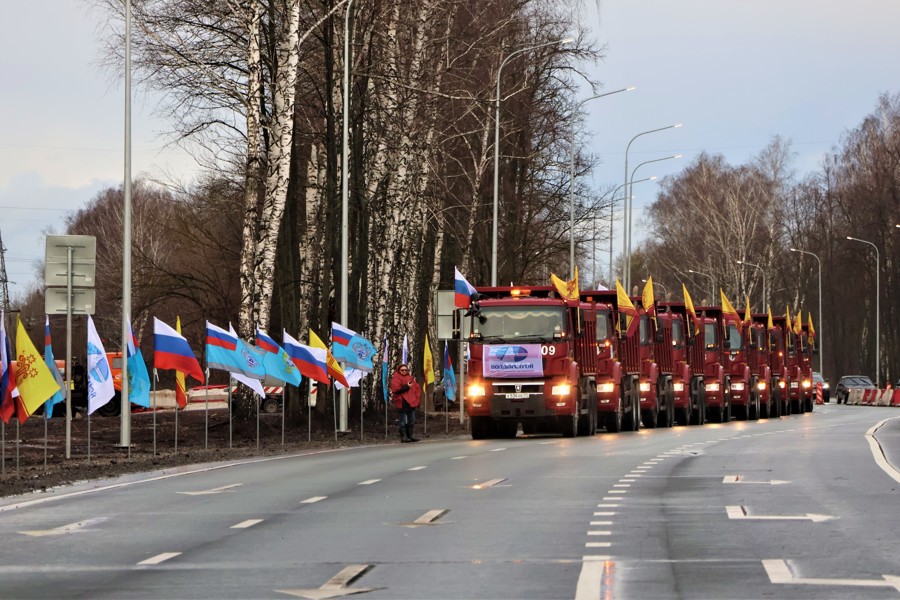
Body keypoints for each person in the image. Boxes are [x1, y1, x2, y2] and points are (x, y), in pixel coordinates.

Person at [390, 363, 421, 443]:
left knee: (412, 420)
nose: (404, 371)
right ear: (399, 370)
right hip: (402, 402)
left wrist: (416, 399)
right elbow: (396, 390)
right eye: (402, 370)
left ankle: (410, 435)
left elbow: (416, 389)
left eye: (405, 370)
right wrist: (407, 386)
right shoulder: (396, 378)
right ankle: (403, 437)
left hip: (411, 403)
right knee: (402, 420)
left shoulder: (410, 378)